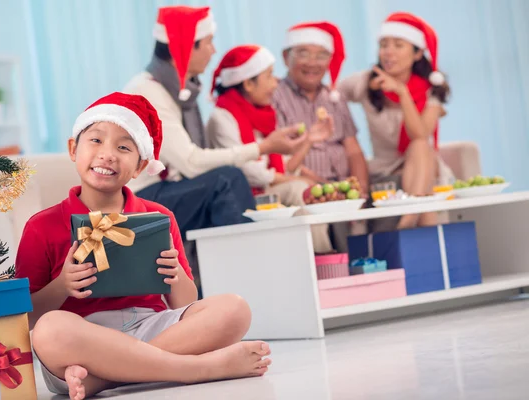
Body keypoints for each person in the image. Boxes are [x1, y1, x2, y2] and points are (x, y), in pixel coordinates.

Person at [15, 93, 272, 400]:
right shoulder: (41, 226)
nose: (107, 154)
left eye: (123, 147)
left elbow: (183, 303)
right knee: (50, 330)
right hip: (83, 343)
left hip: (150, 327)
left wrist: (175, 274)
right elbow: (26, 319)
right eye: (96, 140)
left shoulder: (158, 217)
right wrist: (62, 286)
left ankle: (105, 381)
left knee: (235, 308)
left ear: (140, 166)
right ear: (73, 149)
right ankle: (198, 369)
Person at [123, 6, 305, 238]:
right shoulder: (149, 92)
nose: (213, 51)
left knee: (226, 180)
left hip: (165, 189)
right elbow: (191, 163)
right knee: (226, 180)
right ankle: (246, 262)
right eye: (209, 42)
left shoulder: (180, 90)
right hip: (141, 199)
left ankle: (239, 262)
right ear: (187, 47)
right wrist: (263, 148)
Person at [206, 44, 334, 253]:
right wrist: (296, 180)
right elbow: (251, 173)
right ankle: (324, 258)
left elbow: (284, 168)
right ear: (248, 83)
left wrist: (310, 139)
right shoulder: (222, 117)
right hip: (244, 196)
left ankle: (319, 260)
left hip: (267, 191)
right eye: (269, 76)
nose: (275, 83)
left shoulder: (262, 114)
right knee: (299, 189)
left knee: (305, 200)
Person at [338, 12, 453, 229]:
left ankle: (408, 218)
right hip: (385, 165)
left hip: (419, 160)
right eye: (383, 45)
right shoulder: (366, 81)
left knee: (420, 146)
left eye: (398, 45)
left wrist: (402, 93)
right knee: (427, 202)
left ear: (417, 53)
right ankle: (425, 234)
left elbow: (419, 134)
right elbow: (332, 95)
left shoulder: (432, 89)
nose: (388, 52)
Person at [273, 21, 369, 251]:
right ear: (286, 58)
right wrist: (329, 189)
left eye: (322, 56)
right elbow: (282, 159)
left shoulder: (334, 97)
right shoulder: (274, 96)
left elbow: (353, 149)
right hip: (310, 187)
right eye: (304, 54)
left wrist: (360, 189)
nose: (313, 64)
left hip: (343, 189)